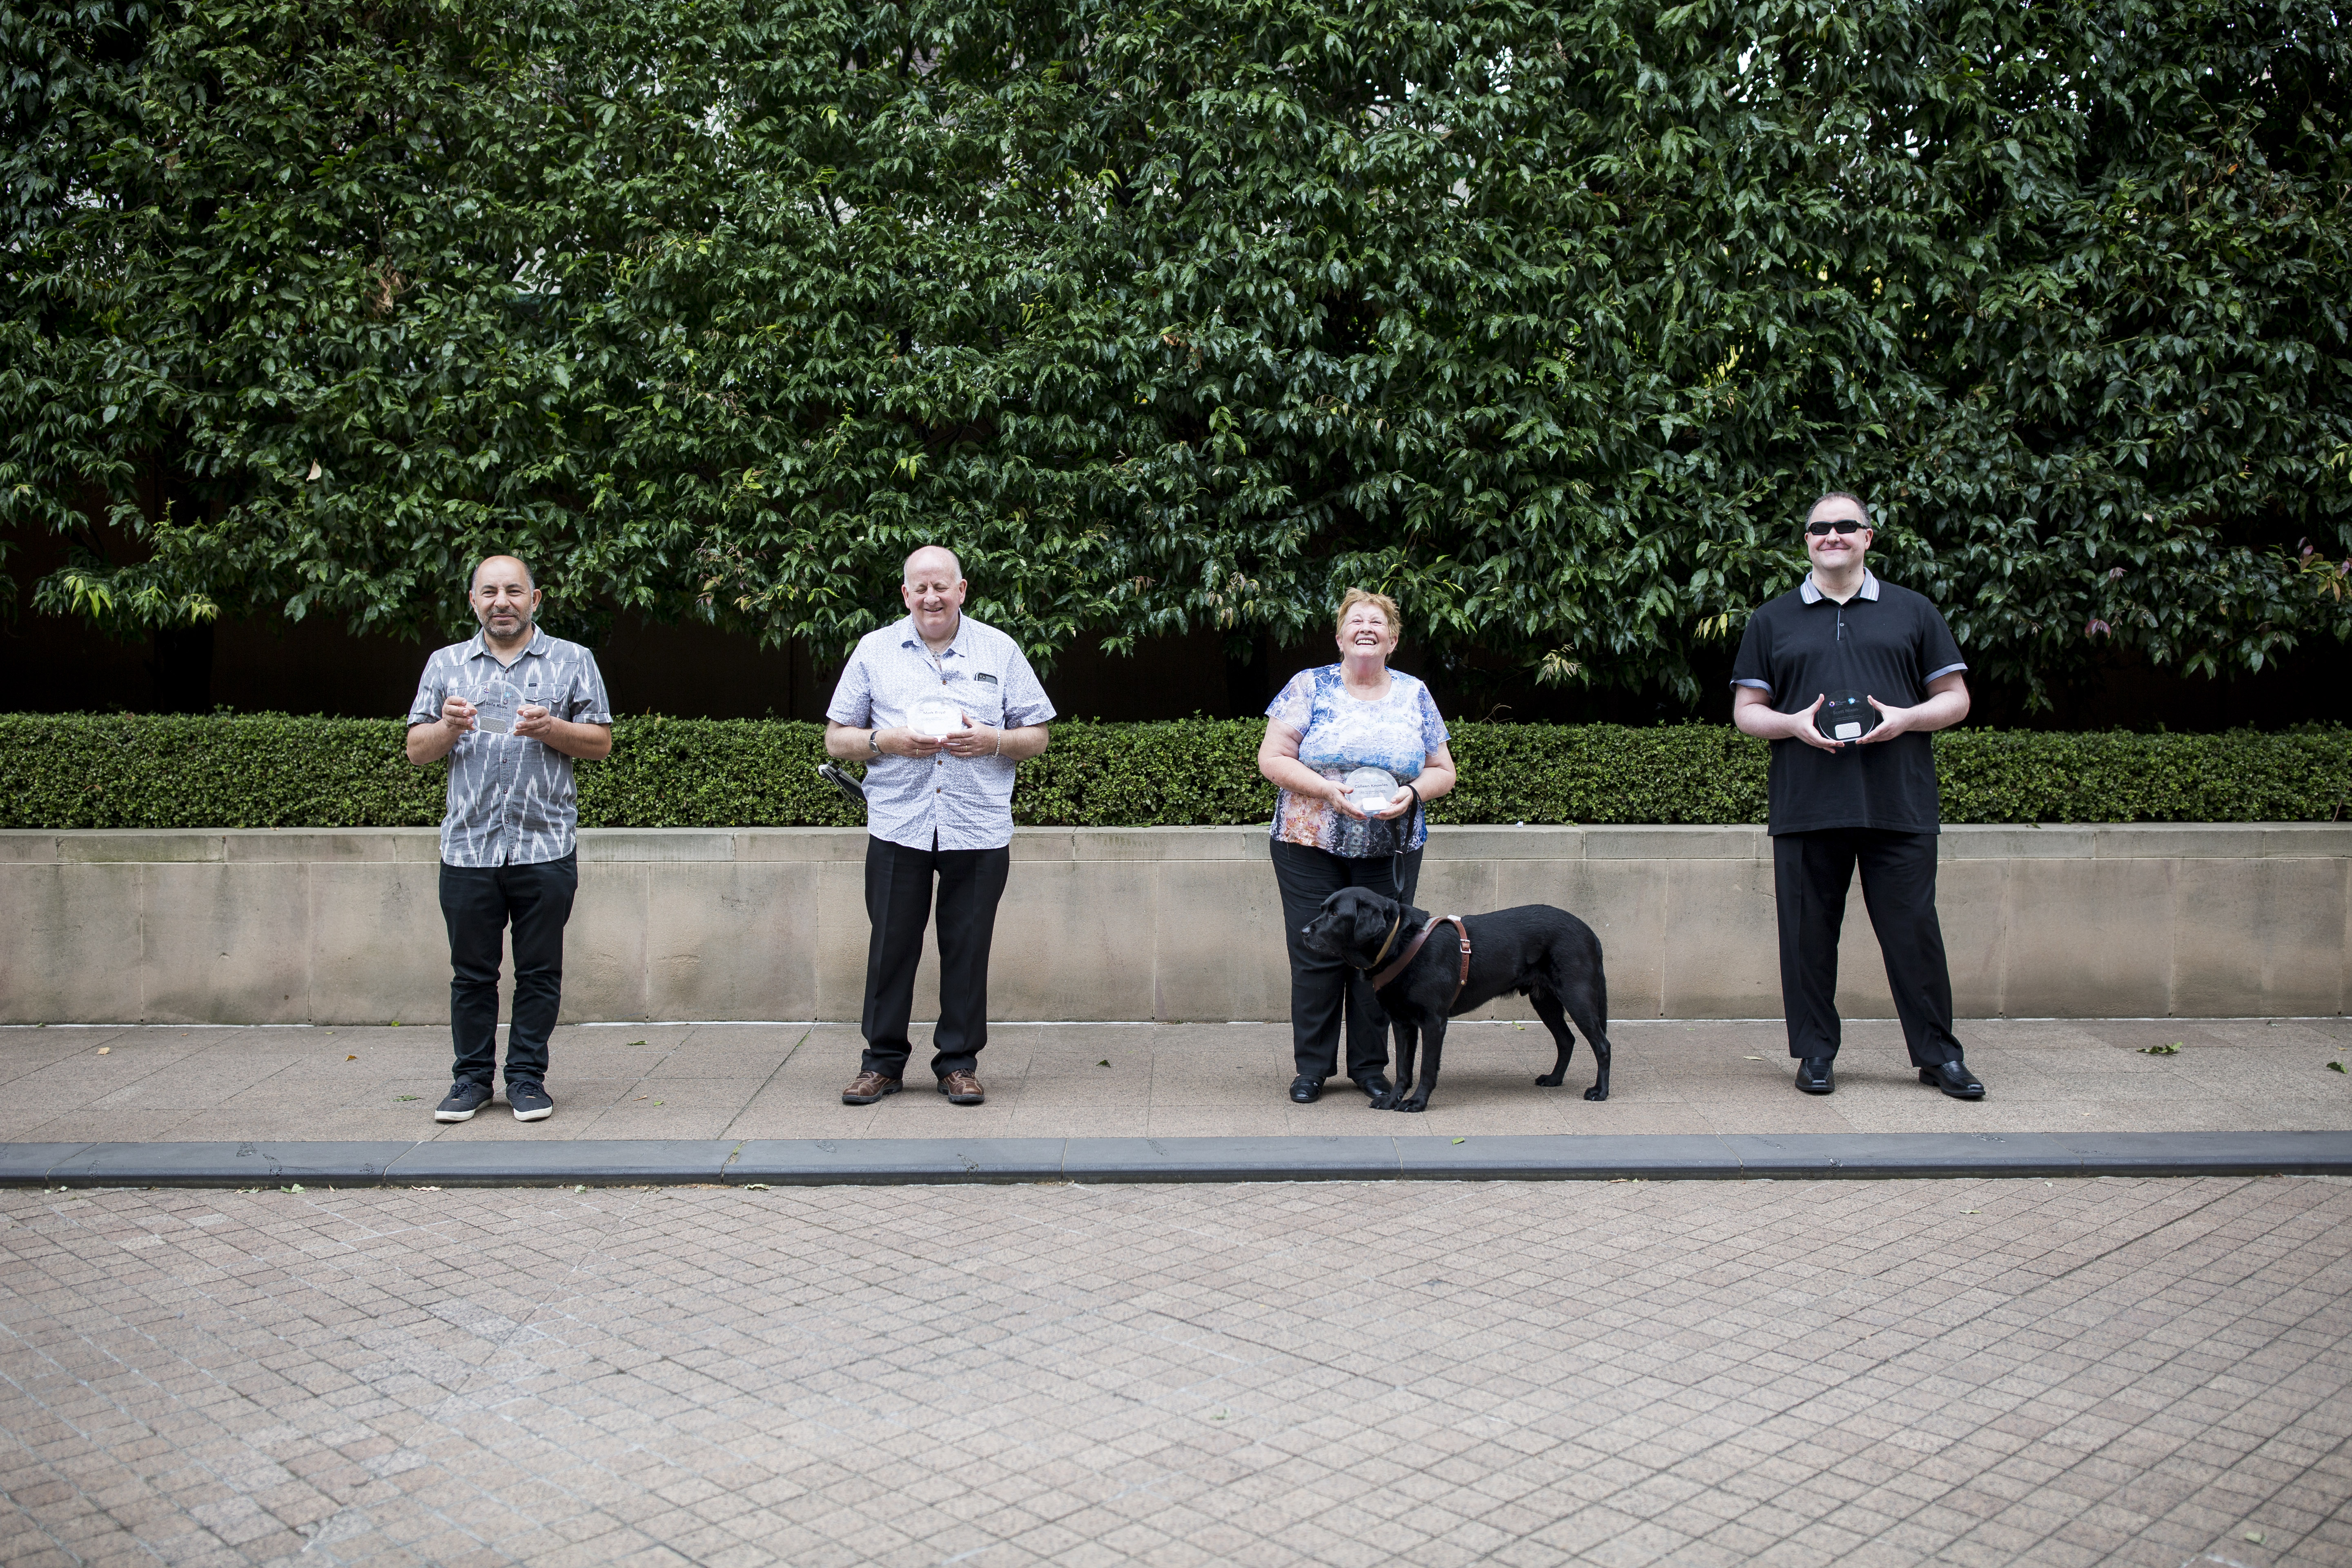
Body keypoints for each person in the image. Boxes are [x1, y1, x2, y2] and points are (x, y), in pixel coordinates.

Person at [1730, 491, 1985, 1099]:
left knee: (1914, 936)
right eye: (1820, 527)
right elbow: (1747, 711)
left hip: (1899, 804)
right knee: (1808, 940)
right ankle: (1815, 1053)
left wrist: (1907, 718)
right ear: (1807, 541)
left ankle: (1939, 1057)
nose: (1833, 535)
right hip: (1807, 805)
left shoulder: (1914, 611)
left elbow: (1956, 700)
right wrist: (1792, 725)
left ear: (1868, 537)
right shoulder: (1772, 619)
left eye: (1847, 525)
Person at [824, 546, 1055, 1106]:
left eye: (941, 587)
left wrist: (994, 741)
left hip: (976, 826)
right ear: (906, 594)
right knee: (891, 947)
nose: (932, 598)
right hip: (899, 823)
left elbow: (1038, 734)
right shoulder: (875, 650)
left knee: (967, 948)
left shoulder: (999, 649)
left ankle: (958, 1064)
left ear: (962, 590)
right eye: (921, 588)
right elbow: (836, 738)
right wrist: (885, 741)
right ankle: (881, 1063)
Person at [405, 555, 613, 1124]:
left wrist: (552, 729)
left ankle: (525, 1079)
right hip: (468, 849)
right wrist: (448, 728)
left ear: (534, 599)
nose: (503, 602)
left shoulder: (574, 660)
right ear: (473, 601)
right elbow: (417, 750)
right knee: (472, 976)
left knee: (540, 974)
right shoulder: (445, 664)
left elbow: (600, 743)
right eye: (490, 592)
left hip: (544, 848)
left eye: (514, 591)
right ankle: (471, 1080)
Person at [1257, 588, 1458, 1104]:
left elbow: (1443, 770)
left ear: (1392, 640)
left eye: (1377, 622)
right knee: (1316, 953)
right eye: (1356, 621)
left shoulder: (1415, 693)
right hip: (1309, 843)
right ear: (1340, 637)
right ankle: (1312, 1069)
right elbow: (1272, 758)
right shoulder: (1309, 686)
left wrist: (1413, 793)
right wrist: (1326, 790)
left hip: (1390, 848)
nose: (1366, 628)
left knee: (1384, 956)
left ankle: (1371, 1068)